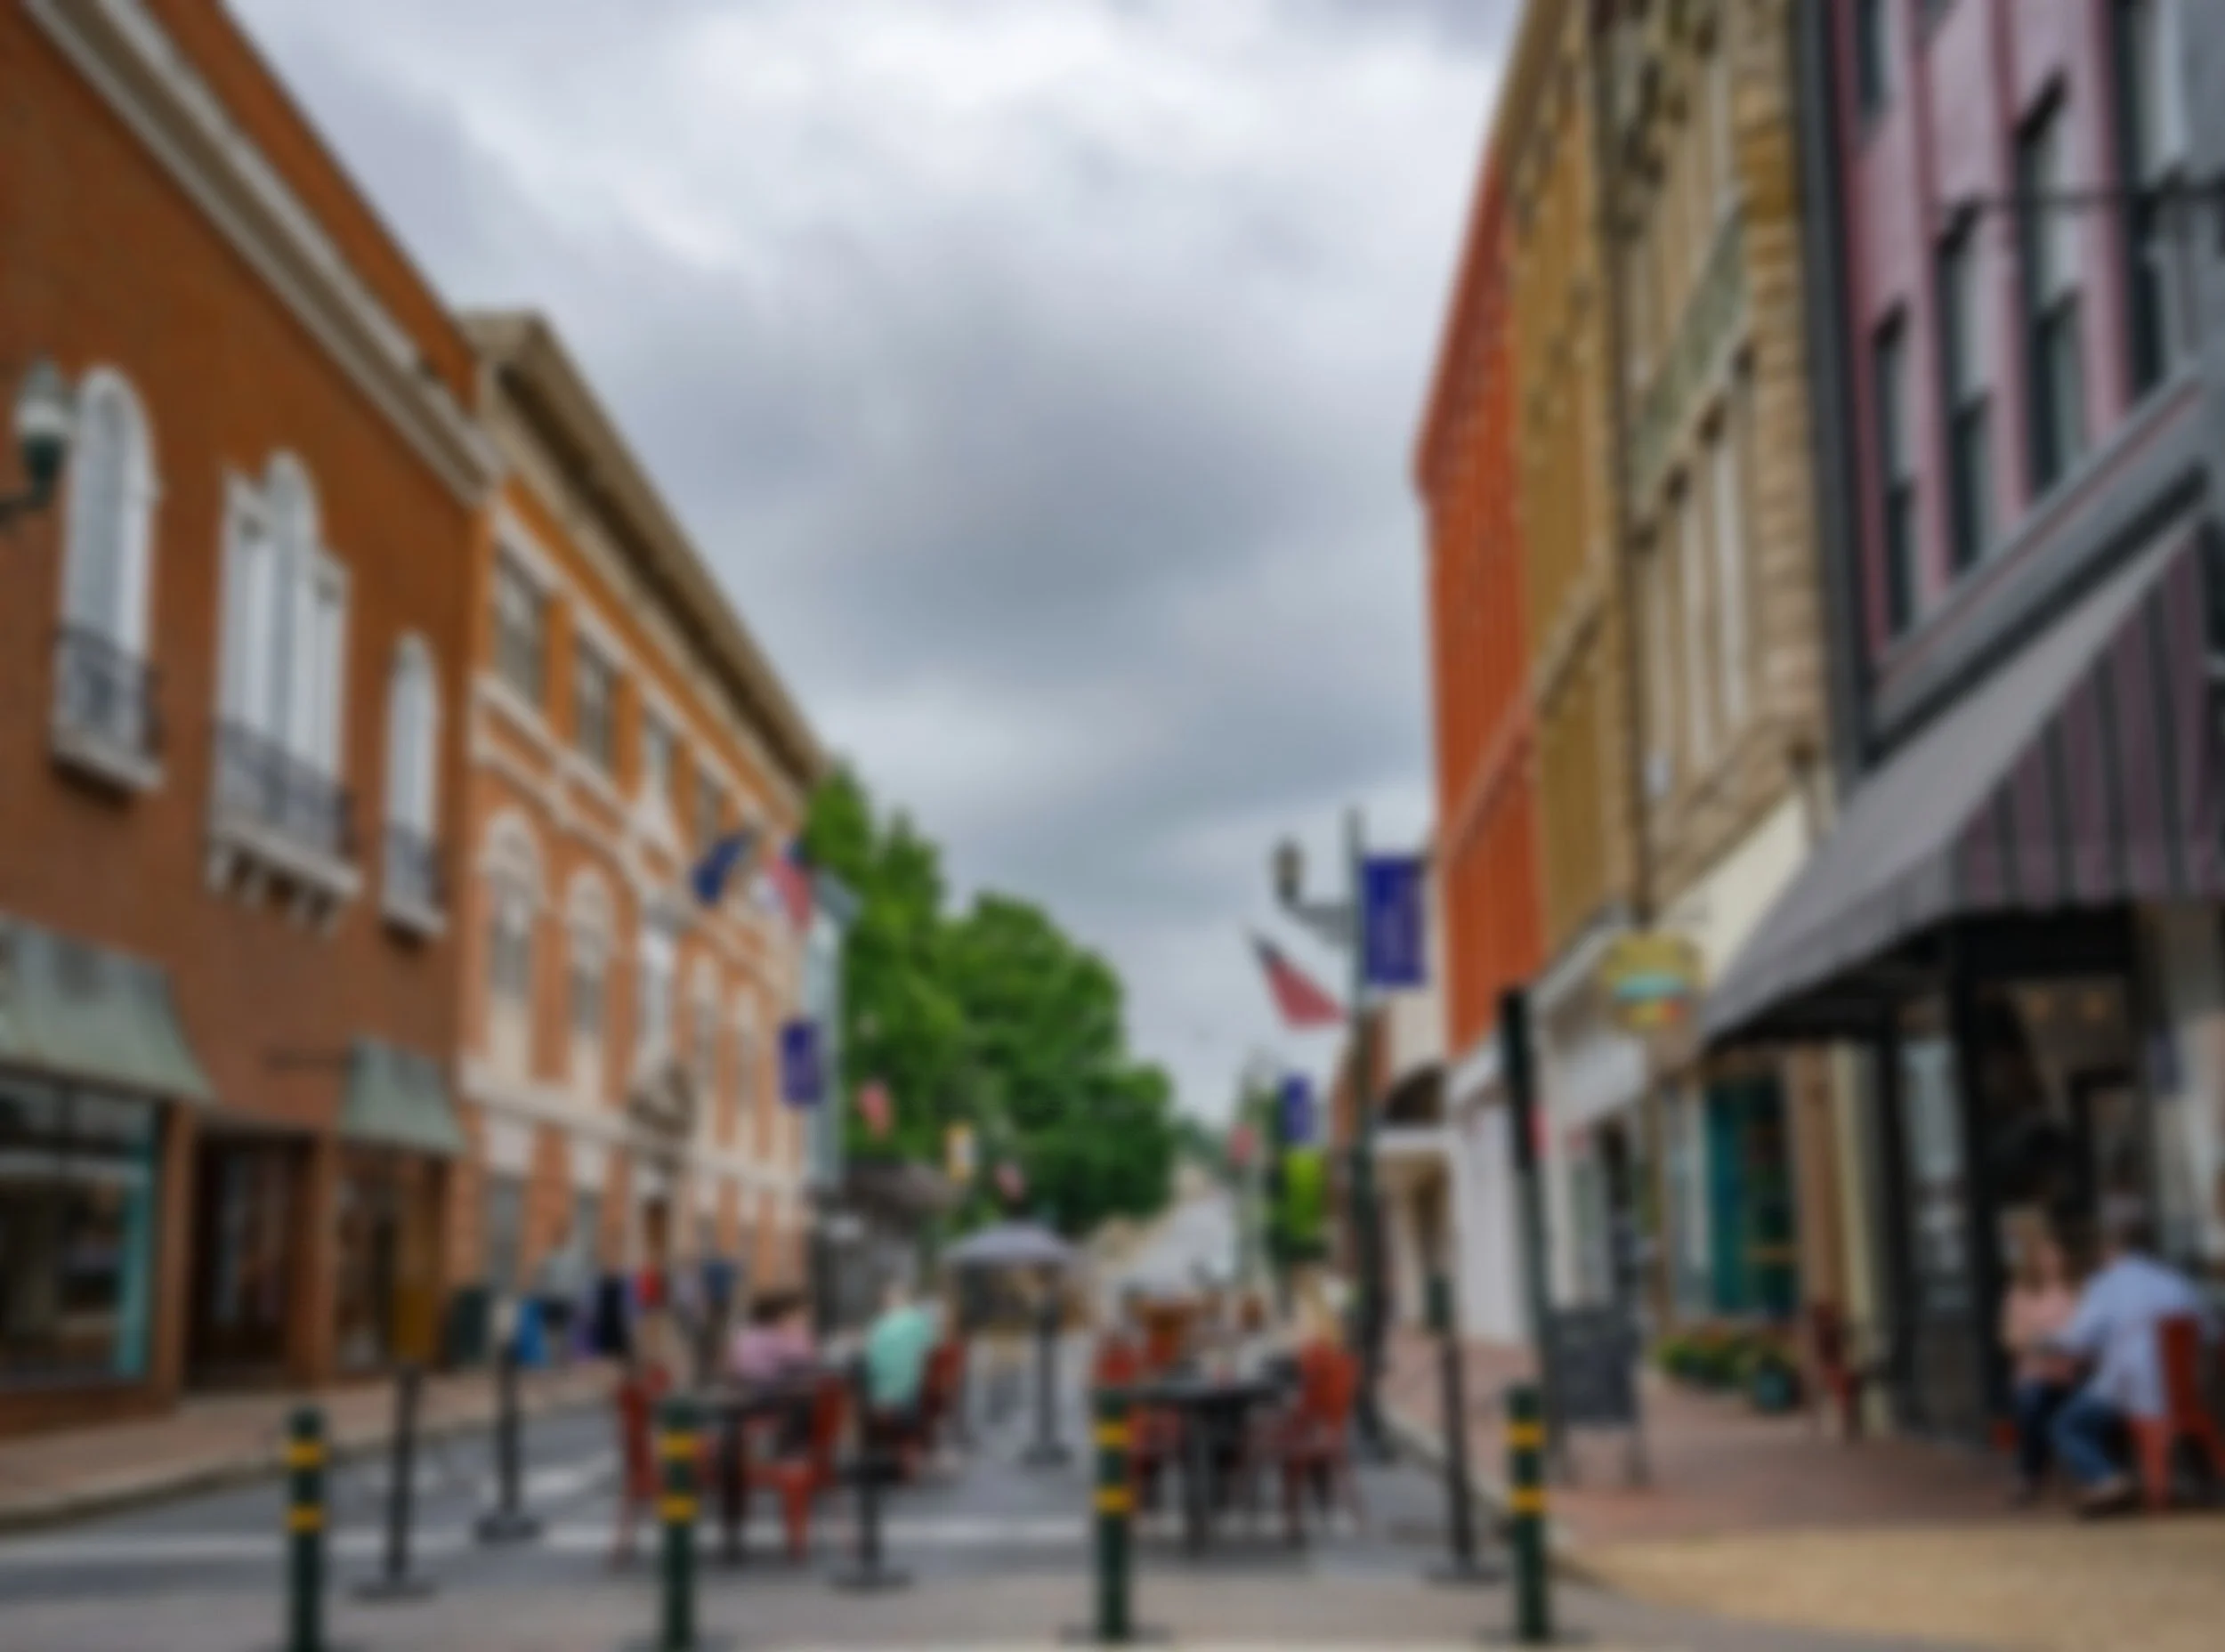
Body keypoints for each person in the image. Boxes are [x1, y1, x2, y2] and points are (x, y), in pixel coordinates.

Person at [2046, 1207, 2213, 1514]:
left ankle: (2107, 1479)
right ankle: (2154, 1478)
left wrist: (2043, 1342)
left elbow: (2078, 1339)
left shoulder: (2107, 1284)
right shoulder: (2174, 1281)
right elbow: (2210, 1331)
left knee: (2067, 1423)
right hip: (2186, 1393)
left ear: (2109, 1249)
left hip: (2128, 1389)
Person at [2000, 1219, 2080, 1503]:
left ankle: (2075, 1473)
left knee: (2066, 1406)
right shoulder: (2021, 1294)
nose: (2051, 1261)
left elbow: (2085, 1335)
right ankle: (2029, 1476)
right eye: (2044, 1255)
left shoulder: (2076, 1292)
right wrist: (2037, 1343)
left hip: (2072, 1374)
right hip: (2035, 1373)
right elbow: (2011, 1338)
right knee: (2032, 1403)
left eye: (2055, 1254)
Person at [864, 1280, 943, 1429]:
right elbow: (934, 1348)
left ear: (887, 1301)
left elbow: (871, 1361)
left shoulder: (879, 1325)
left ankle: (874, 1438)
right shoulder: (919, 1321)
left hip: (884, 1398)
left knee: (860, 1383)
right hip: (914, 1393)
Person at [728, 1291, 817, 1386]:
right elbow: (801, 1357)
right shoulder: (773, 1334)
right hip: (768, 1386)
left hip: (746, 1383)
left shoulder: (746, 1333)